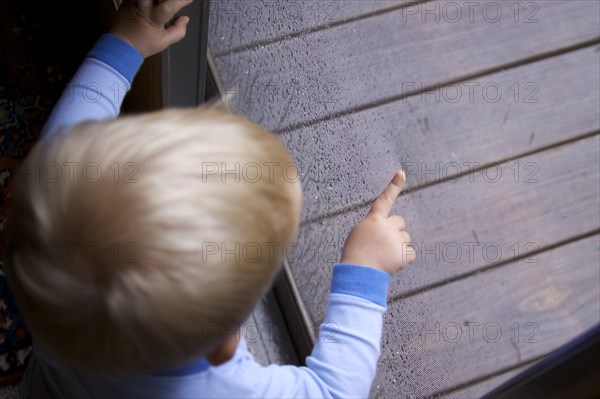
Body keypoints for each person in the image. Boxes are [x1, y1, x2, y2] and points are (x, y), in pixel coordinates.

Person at [3, 0, 416, 397]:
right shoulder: (221, 388)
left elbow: (83, 108)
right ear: (226, 346)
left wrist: (127, 39)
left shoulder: (52, 192)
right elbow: (334, 392)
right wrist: (365, 271)